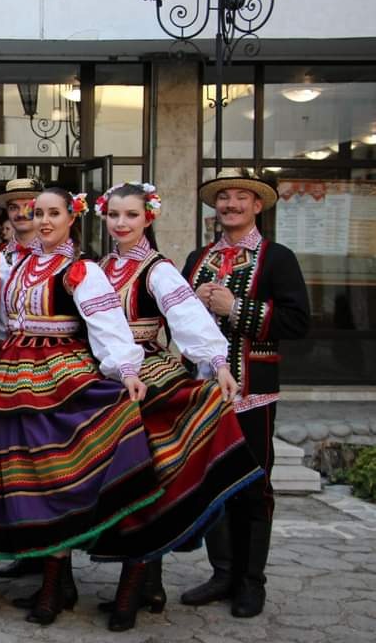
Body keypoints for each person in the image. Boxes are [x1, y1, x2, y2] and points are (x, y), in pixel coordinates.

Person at [0, 186, 159, 627]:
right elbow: (2, 321)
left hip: (60, 376)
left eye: (53, 214)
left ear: (71, 218)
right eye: (37, 213)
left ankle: (77, 582)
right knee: (29, 479)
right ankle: (55, 582)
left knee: (61, 475)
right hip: (13, 378)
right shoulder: (18, 265)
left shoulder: (81, 270)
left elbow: (107, 323)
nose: (43, 221)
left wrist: (126, 369)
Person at [87, 182, 263, 631]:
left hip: (148, 374)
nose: (121, 223)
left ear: (149, 217)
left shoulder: (158, 269)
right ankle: (148, 584)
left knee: (147, 478)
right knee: (110, 480)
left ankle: (133, 588)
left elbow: (188, 318)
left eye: (131, 215)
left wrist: (218, 362)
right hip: (103, 373)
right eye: (114, 215)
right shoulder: (98, 267)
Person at [180, 169, 310, 619]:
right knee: (213, 483)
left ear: (257, 206)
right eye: (224, 197)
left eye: (241, 197)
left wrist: (235, 308)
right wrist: (191, 301)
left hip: (253, 393)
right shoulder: (198, 258)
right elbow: (178, 321)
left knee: (253, 485)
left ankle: (251, 582)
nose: (231, 204)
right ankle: (222, 574)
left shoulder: (277, 258)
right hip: (204, 392)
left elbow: (297, 322)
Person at [0, 176, 45, 581]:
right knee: (13, 462)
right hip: (6, 364)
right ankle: (25, 549)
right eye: (14, 206)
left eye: (31, 205)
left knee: (46, 460)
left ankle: (51, 560)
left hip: (49, 370)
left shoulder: (66, 258)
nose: (22, 213)